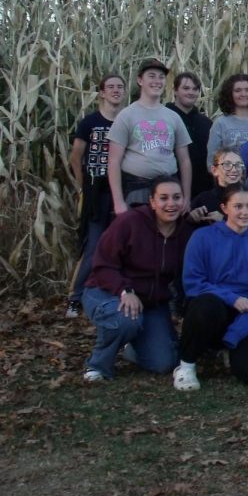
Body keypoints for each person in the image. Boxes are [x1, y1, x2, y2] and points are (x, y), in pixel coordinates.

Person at [81, 176, 194, 382]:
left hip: (150, 303)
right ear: (152, 201)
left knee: (164, 363)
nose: (171, 204)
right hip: (107, 291)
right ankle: (97, 366)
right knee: (126, 319)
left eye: (177, 197)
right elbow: (102, 264)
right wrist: (125, 290)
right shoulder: (130, 222)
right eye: (163, 198)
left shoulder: (185, 232)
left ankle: (133, 344)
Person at [175, 183, 248, 390]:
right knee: (205, 307)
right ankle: (186, 365)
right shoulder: (202, 237)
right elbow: (193, 283)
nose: (245, 212)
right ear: (224, 208)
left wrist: (235, 333)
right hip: (214, 306)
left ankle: (229, 347)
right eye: (238, 206)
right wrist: (231, 298)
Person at [66, 72, 126, 317]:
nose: (115, 90)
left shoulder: (127, 121)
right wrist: (83, 188)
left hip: (120, 191)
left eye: (120, 87)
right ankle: (75, 297)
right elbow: (75, 157)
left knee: (121, 247)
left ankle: (114, 292)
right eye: (110, 87)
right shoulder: (89, 122)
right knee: (92, 247)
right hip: (96, 193)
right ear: (101, 92)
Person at [107, 58, 193, 214]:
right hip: (136, 190)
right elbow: (113, 161)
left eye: (161, 77)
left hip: (169, 191)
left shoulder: (173, 117)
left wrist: (186, 197)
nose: (157, 81)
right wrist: (118, 201)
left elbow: (185, 160)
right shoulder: (126, 115)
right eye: (151, 76)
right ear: (140, 80)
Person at [190, 147, 248, 240]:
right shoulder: (203, 200)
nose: (234, 169)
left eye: (238, 165)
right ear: (214, 170)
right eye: (227, 165)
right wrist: (190, 219)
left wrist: (226, 220)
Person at [167, 71, 212, 195]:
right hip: (171, 189)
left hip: (202, 190)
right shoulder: (163, 119)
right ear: (175, 91)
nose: (191, 92)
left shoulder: (206, 123)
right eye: (186, 88)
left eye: (195, 89)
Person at [206, 73, 248, 163]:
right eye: (238, 90)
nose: (243, 94)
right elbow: (212, 158)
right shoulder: (220, 123)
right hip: (228, 175)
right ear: (230, 94)